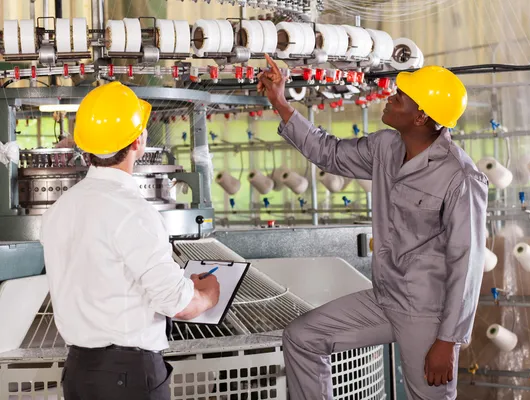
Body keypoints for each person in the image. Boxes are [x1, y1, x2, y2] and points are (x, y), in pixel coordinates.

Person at [257, 55, 488, 400]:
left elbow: (467, 262)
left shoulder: (460, 177)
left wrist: (448, 340)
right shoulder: (385, 147)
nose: (389, 99)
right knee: (302, 337)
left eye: (400, 98)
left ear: (421, 116)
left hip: (427, 312)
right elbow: (327, 152)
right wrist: (280, 100)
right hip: (385, 296)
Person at [40, 81, 221, 400]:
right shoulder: (134, 212)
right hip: (127, 378)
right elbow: (176, 305)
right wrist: (208, 295)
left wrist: (182, 285)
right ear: (138, 141)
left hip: (79, 374)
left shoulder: (59, 209)